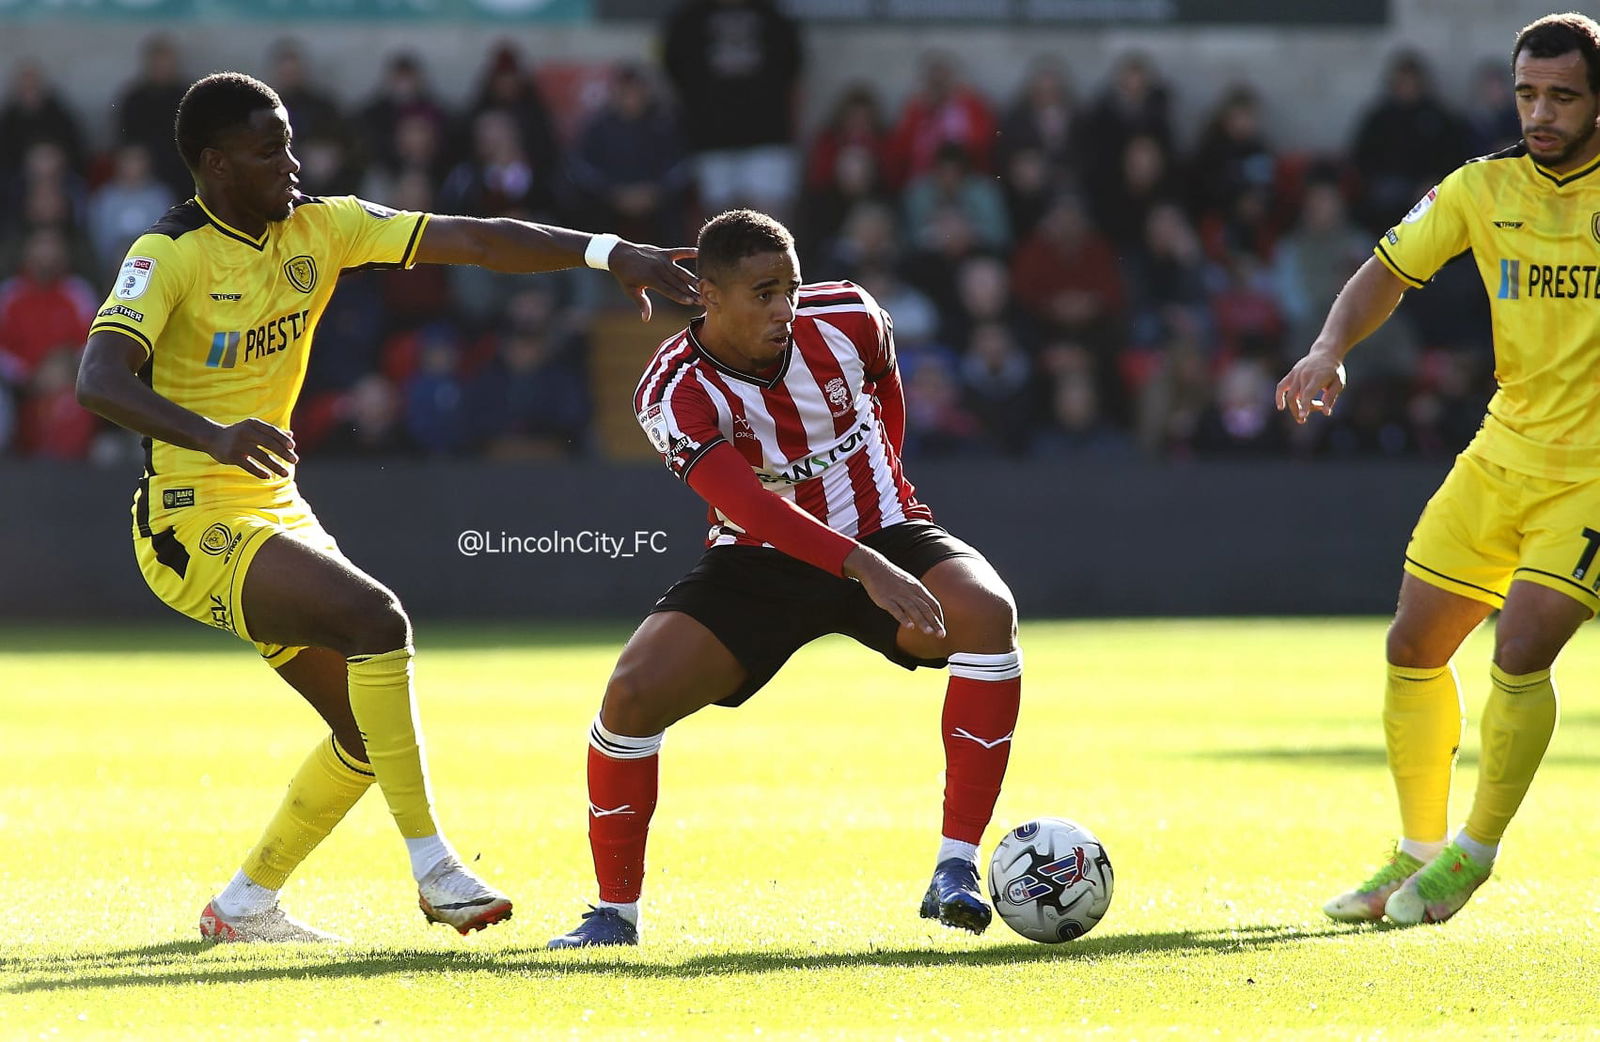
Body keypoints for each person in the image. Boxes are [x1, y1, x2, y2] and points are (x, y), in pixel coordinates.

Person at [74, 72, 698, 943]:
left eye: (291, 142)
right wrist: (211, 436)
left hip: (274, 505)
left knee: (365, 732)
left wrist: (603, 252)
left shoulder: (320, 226)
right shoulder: (169, 251)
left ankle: (245, 905)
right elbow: (98, 379)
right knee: (377, 618)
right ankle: (435, 867)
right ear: (214, 165)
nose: (294, 163)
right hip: (187, 519)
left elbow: (476, 241)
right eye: (269, 150)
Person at [545, 209, 1022, 948]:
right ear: (708, 294)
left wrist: (885, 497)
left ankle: (954, 867)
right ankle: (614, 915)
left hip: (883, 531)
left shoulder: (853, 317)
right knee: (631, 697)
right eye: (763, 293)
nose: (784, 309)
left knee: (988, 614)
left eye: (790, 288)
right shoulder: (672, 390)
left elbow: (886, 392)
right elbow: (747, 505)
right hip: (758, 561)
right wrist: (860, 566)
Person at [1277, 14, 1600, 926]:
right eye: (1528, 93)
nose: (1540, 112)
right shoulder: (1481, 186)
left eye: (1563, 96)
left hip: (1592, 476)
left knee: (1521, 647)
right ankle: (1414, 850)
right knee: (1413, 645)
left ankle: (1473, 853)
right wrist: (1331, 346)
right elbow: (1387, 268)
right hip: (1501, 455)